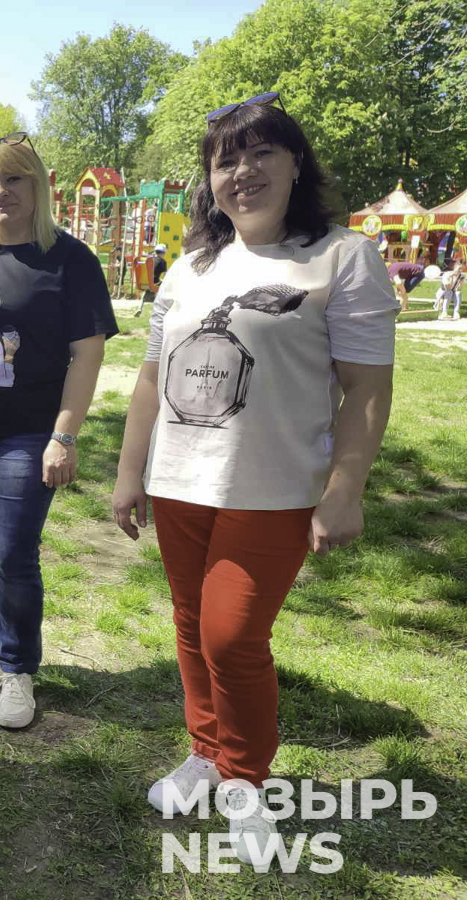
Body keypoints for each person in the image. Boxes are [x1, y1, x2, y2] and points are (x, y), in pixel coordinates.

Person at [111, 96, 397, 865]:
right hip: (179, 483)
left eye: (261, 152)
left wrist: (345, 489)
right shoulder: (191, 266)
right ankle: (206, 752)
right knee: (189, 627)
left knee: (233, 638)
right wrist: (130, 473)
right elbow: (149, 380)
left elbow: (367, 389)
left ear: (295, 162)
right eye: (226, 160)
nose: (244, 172)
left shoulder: (342, 257)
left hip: (272, 487)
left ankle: (245, 782)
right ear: (210, 180)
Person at [0, 132, 117, 729]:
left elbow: (87, 354)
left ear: (38, 186)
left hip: (31, 434)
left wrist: (65, 433)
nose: (1, 192)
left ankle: (17, 669)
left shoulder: (69, 260)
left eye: (14, 179)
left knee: (13, 551)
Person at [134, 244, 168, 317]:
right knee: (163, 286)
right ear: (163, 253)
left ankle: (139, 308)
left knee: (145, 293)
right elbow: (165, 275)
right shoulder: (163, 262)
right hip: (155, 283)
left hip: (146, 283)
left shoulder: (149, 260)